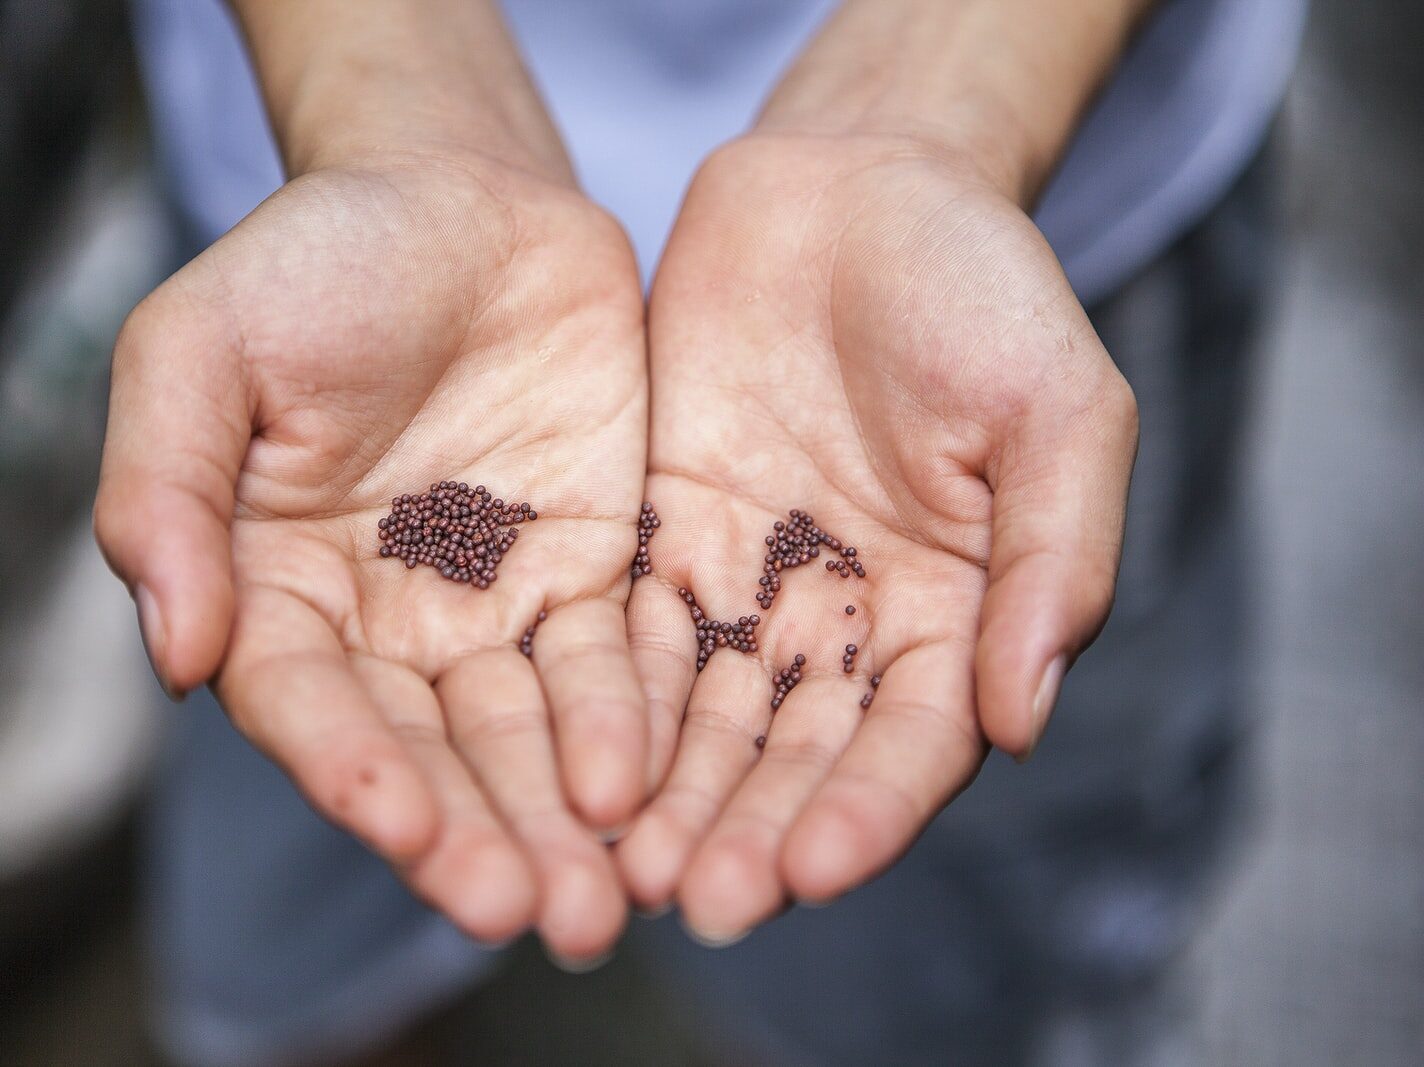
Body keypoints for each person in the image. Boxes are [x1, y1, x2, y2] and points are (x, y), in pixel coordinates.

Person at [96, 1, 1305, 1063]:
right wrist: (387, 93)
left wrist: (931, 107)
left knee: (931, 985)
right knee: (300, 918)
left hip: (994, 256)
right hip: (352, 315)